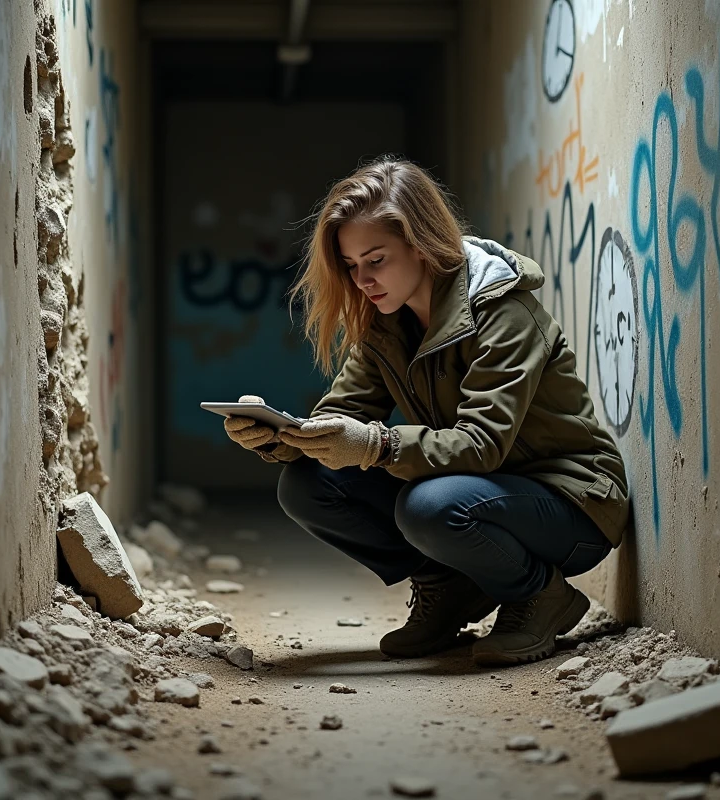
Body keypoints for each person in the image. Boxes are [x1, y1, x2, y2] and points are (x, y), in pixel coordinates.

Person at [222, 156, 629, 666]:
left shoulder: (502, 310)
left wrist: (377, 445)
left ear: (421, 244)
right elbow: (339, 420)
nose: (362, 279)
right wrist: (278, 438)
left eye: (376, 260)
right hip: (478, 492)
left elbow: (481, 445)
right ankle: (448, 585)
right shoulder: (387, 325)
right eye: (351, 265)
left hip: (571, 502)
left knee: (428, 506)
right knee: (308, 484)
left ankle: (540, 594)